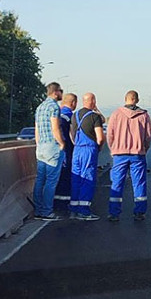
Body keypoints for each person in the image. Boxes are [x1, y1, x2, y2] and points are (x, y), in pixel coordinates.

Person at [106, 90, 151, 222]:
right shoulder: (144, 115)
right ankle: (139, 212)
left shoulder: (116, 114)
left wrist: (113, 149)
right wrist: (144, 148)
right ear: (137, 100)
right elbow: (148, 137)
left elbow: (110, 135)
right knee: (139, 183)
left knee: (117, 183)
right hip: (137, 154)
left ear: (125, 99)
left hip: (119, 154)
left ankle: (114, 213)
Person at [69, 92, 106, 221]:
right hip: (89, 151)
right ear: (93, 101)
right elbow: (100, 137)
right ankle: (84, 211)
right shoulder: (94, 117)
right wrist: (99, 147)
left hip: (77, 150)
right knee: (87, 179)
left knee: (76, 179)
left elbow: (71, 135)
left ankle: (73, 209)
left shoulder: (74, 116)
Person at [33, 82, 66, 221]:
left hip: (41, 147)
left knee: (40, 179)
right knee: (51, 181)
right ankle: (47, 211)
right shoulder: (54, 107)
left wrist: (38, 144)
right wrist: (62, 143)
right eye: (61, 91)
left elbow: (36, 130)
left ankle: (38, 210)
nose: (62, 94)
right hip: (52, 147)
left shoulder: (39, 108)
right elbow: (55, 128)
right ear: (55, 92)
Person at [53, 92, 77, 213]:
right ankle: (64, 204)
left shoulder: (56, 113)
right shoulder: (70, 116)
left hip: (52, 150)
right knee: (66, 176)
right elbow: (73, 136)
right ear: (73, 103)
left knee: (53, 177)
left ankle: (54, 203)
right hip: (66, 150)